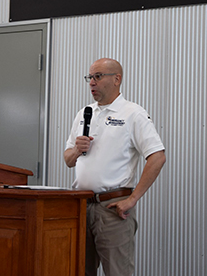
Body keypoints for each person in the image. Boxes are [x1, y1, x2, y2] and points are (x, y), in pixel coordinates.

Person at [64, 58, 166, 276]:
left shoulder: (132, 113)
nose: (92, 82)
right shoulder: (84, 113)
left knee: (117, 272)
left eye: (98, 76)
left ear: (117, 79)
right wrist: (75, 150)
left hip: (112, 210)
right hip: (80, 206)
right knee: (78, 269)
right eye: (89, 77)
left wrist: (132, 199)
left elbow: (157, 156)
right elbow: (68, 159)